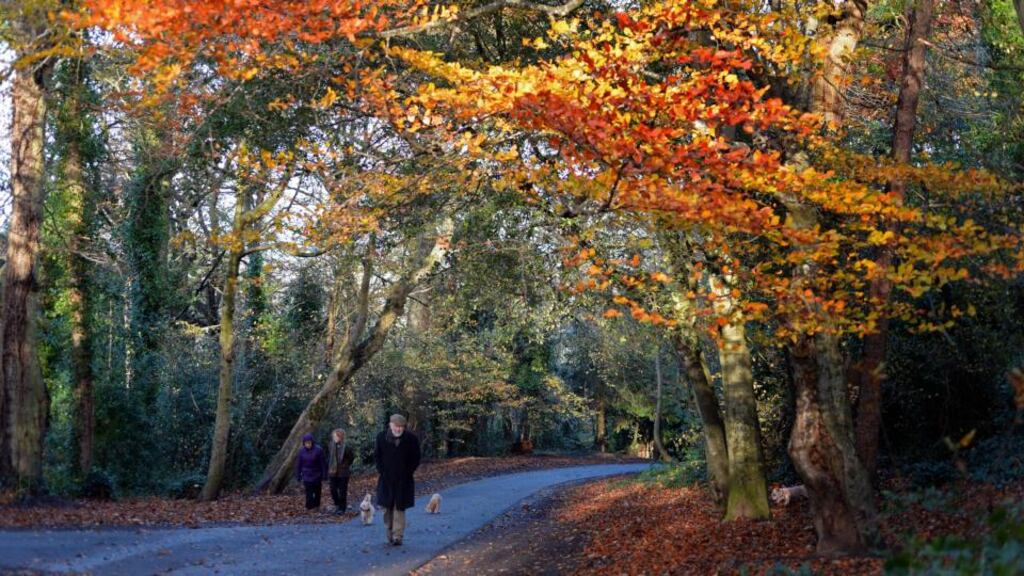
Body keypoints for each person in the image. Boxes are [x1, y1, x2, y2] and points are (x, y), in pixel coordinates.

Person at [374, 413, 421, 546]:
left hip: (403, 479)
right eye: (396, 426)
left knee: (399, 507)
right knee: (387, 508)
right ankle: (389, 532)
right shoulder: (381, 437)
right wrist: (382, 471)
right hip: (386, 479)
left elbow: (416, 458)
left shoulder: (411, 439)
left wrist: (408, 472)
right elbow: (377, 456)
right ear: (390, 425)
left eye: (401, 426)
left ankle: (398, 536)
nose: (398, 429)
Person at [295, 432, 327, 512]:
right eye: (306, 443)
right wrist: (298, 475)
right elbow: (298, 464)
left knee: (317, 491)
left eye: (309, 442)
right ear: (304, 443)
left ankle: (316, 506)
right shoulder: (301, 451)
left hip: (317, 474)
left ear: (312, 442)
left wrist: (324, 474)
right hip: (306, 474)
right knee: (308, 492)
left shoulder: (318, 450)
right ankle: (310, 506)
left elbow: (323, 463)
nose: (308, 444)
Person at [327, 428, 355, 514]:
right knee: (333, 489)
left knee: (342, 491)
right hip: (333, 471)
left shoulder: (346, 447)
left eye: (336, 436)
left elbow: (351, 457)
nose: (334, 437)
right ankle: (337, 504)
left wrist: (345, 465)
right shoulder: (331, 445)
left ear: (340, 437)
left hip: (343, 472)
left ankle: (342, 508)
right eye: (334, 436)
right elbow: (330, 457)